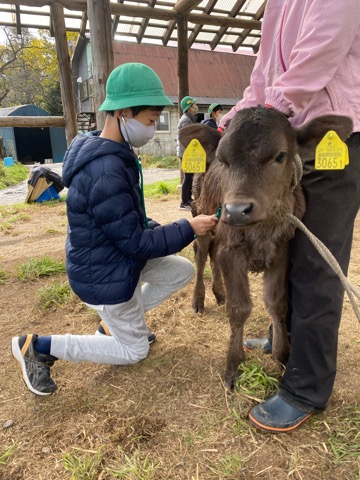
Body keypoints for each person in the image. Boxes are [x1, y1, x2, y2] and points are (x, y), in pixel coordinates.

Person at [12, 63, 218, 396]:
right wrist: (188, 227)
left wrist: (176, 228)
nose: (152, 129)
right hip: (105, 275)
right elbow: (136, 242)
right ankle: (38, 347)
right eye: (151, 121)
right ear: (123, 113)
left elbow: (129, 222)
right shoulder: (106, 170)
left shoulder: (111, 153)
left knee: (180, 270)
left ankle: (117, 324)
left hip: (115, 258)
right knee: (134, 351)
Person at [219, 0, 360, 433]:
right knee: (285, 251)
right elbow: (263, 71)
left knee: (316, 265)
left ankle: (306, 387)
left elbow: (323, 46)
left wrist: (270, 111)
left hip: (328, 135)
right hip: (277, 135)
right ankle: (288, 343)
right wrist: (238, 116)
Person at [177, 95, 198, 210]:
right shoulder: (186, 120)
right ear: (189, 107)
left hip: (187, 152)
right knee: (188, 177)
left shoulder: (188, 118)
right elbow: (188, 138)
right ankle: (184, 202)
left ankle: (188, 200)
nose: (196, 106)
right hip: (186, 153)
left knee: (190, 177)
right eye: (194, 105)